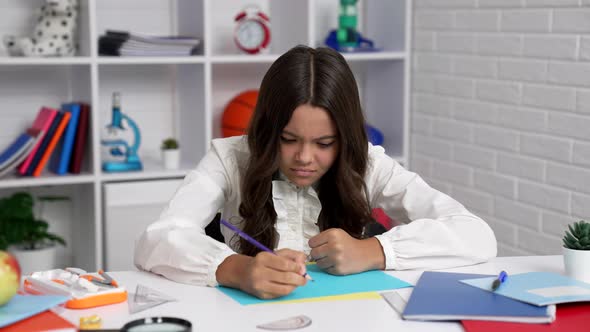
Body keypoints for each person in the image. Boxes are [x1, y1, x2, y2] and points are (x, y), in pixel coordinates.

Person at [134, 45, 497, 299]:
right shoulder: (230, 158)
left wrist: (373, 251)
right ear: (266, 129)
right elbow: (158, 239)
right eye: (288, 139)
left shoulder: (368, 163)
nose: (304, 158)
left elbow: (476, 234)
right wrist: (236, 269)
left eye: (324, 143)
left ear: (346, 138)